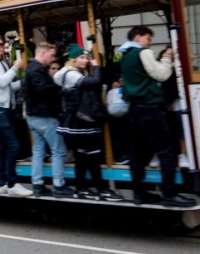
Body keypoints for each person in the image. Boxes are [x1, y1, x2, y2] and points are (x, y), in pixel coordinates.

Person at [119, 27, 195, 207]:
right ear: (138, 38)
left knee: (138, 154)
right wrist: (167, 57)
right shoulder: (142, 52)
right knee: (166, 152)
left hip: (134, 110)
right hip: (150, 109)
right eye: (148, 38)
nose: (149, 42)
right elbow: (161, 74)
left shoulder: (124, 55)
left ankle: (139, 193)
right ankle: (169, 194)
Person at [54, 44, 123, 201]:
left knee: (83, 156)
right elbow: (95, 82)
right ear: (73, 59)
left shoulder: (69, 73)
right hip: (82, 120)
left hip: (78, 119)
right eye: (82, 57)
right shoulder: (72, 74)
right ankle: (101, 189)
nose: (85, 60)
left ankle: (81, 188)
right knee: (93, 155)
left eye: (86, 57)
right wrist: (97, 66)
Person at [0, 33, 32, 197]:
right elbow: (2, 82)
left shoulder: (0, 62)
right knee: (13, 145)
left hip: (2, 108)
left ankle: (1, 183)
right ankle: (12, 183)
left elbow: (9, 86)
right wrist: (15, 67)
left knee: (2, 147)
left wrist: (25, 80)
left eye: (1, 44)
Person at [23, 42, 73, 197]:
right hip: (44, 116)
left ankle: (37, 185)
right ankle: (59, 185)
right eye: (51, 55)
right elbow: (41, 89)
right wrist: (59, 87)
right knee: (58, 151)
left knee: (38, 151)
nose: (53, 59)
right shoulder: (37, 69)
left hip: (33, 116)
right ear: (43, 53)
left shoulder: (31, 68)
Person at [153, 48, 190, 169]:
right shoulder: (158, 70)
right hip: (164, 104)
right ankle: (161, 155)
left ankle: (182, 154)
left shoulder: (177, 68)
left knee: (181, 128)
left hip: (176, 103)